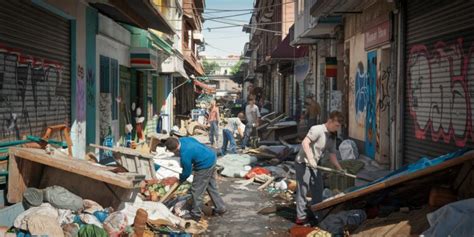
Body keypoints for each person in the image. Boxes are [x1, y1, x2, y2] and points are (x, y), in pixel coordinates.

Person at [295, 111, 344, 225]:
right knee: (303, 189)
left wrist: (339, 168)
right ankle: (301, 217)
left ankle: (317, 214)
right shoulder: (317, 129)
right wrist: (311, 158)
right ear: (330, 121)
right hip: (303, 162)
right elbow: (305, 143)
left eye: (339, 126)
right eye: (336, 125)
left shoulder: (332, 135)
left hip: (315, 164)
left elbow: (332, 153)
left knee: (318, 188)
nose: (337, 128)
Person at [164, 137, 226, 221]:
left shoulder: (185, 154)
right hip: (211, 156)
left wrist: (180, 179)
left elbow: (187, 172)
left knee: (196, 191)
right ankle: (220, 208)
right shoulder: (184, 139)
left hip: (204, 165)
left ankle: (195, 214)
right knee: (211, 186)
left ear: (175, 149)